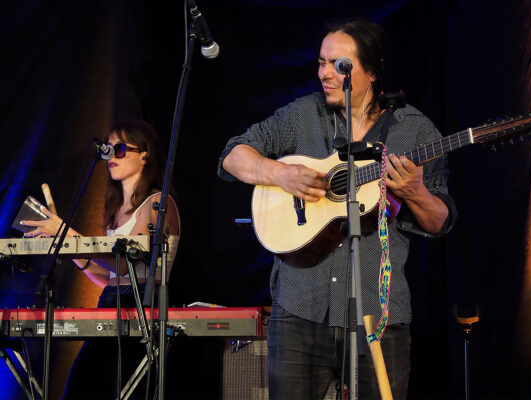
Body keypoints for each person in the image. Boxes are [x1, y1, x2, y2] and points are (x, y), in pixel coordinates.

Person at [217, 18, 456, 399]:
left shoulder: (415, 130)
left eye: (338, 65)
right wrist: (278, 172)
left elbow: (440, 220)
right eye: (321, 62)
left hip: (379, 315)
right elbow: (233, 155)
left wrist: (414, 191)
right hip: (299, 308)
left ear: (373, 70)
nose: (324, 73)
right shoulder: (302, 114)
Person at [22, 118, 181, 399]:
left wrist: (65, 232)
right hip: (111, 305)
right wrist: (66, 246)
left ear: (145, 155)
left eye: (119, 149)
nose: (111, 155)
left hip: (142, 308)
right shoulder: (117, 210)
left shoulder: (158, 203)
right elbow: (107, 275)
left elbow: (126, 264)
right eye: (107, 149)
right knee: (81, 389)